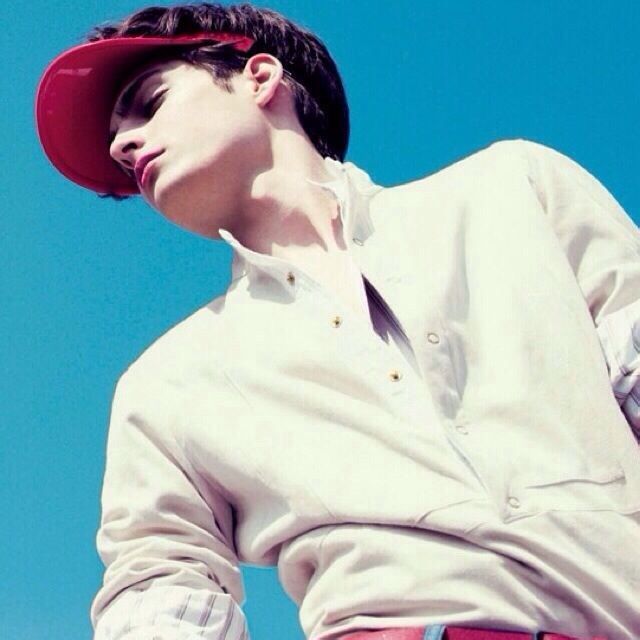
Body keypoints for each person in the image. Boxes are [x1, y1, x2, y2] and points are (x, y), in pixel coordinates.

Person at [34, 3, 640, 640]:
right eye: (118, 144)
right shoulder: (164, 383)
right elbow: (159, 593)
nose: (121, 145)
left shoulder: (515, 190)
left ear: (259, 78)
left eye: (150, 103)